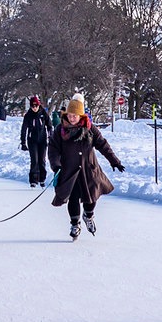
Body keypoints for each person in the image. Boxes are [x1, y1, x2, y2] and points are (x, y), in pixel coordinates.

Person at [48, 93, 125, 240]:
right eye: (70, 115)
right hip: (69, 171)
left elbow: (103, 144)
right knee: (73, 198)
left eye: (75, 116)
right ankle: (75, 224)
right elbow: (52, 149)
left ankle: (88, 216)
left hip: (89, 169)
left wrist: (114, 161)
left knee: (92, 197)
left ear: (81, 116)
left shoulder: (90, 129)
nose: (71, 118)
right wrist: (56, 165)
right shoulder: (60, 130)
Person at [20, 95, 53, 188]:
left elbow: (49, 125)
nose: (34, 108)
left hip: (42, 140)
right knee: (34, 160)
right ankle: (33, 180)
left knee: (42, 160)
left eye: (36, 106)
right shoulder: (28, 115)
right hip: (32, 140)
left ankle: (42, 179)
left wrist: (50, 135)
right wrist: (23, 142)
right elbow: (24, 129)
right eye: (32, 106)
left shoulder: (43, 113)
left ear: (39, 105)